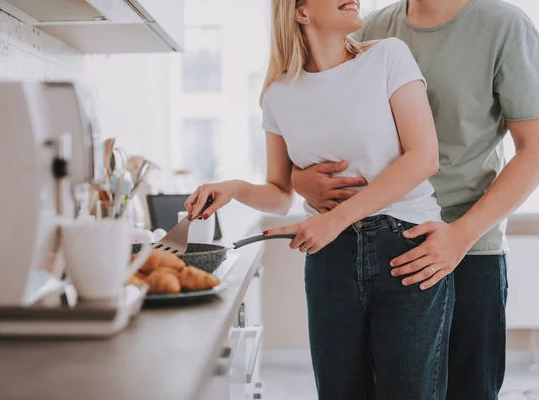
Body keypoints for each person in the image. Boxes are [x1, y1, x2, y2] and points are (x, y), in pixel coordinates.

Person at [186, 0, 454, 398]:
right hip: (331, 260)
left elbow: (423, 157)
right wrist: (235, 189)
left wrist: (335, 218)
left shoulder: (388, 56)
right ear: (300, 12)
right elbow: (280, 194)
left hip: (407, 248)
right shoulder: (277, 94)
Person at [290, 0, 539, 398]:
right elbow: (327, 126)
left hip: (468, 250)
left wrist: (460, 236)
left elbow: (534, 150)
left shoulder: (503, 25)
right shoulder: (367, 29)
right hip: (383, 248)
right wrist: (298, 178)